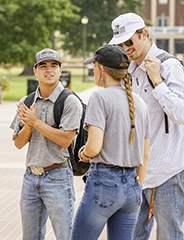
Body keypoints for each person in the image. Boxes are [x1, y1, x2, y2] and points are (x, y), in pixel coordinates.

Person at [109, 12, 184, 240]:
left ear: (144, 34)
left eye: (129, 41)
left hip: (167, 171)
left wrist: (157, 82)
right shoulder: (128, 71)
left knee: (169, 236)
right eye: (121, 43)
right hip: (135, 172)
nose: (126, 47)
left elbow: (181, 113)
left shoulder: (169, 66)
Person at [70, 44, 150, 240]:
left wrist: (83, 154)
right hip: (132, 186)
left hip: (104, 183)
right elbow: (145, 154)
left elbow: (94, 146)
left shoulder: (99, 97)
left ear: (101, 69)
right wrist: (137, 183)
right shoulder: (140, 103)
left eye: (94, 67)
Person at [10, 48, 82, 240]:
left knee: (65, 235)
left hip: (58, 177)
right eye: (43, 66)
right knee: (30, 237)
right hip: (30, 178)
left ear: (60, 70)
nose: (48, 70)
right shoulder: (27, 101)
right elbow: (18, 144)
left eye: (53, 65)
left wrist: (36, 123)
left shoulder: (69, 101)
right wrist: (27, 127)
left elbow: (65, 139)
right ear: (35, 71)